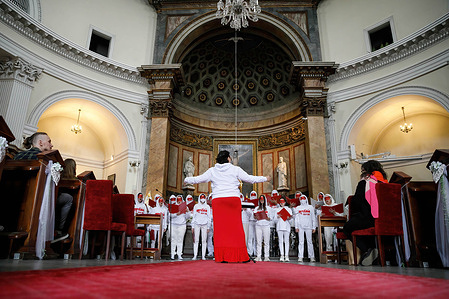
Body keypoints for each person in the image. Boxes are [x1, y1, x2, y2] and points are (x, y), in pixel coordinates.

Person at [184, 150, 270, 263]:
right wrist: (265, 178)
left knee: (221, 229)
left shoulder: (212, 170)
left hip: (218, 201)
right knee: (236, 228)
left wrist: (187, 179)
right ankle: (240, 256)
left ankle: (222, 257)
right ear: (229, 158)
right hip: (232, 200)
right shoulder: (235, 169)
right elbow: (250, 178)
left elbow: (199, 179)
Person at [343, 160, 388, 266]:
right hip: (385, 220)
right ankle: (371, 249)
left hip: (368, 217)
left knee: (347, 227)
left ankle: (365, 250)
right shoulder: (385, 183)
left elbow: (356, 202)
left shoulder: (365, 182)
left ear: (366, 171)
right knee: (358, 228)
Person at [52, 158, 77, 243]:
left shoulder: (58, 176)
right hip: (64, 213)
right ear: (74, 168)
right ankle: (60, 229)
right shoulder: (76, 181)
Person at [295, 194, 317, 262]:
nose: (302, 199)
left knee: (309, 241)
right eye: (301, 198)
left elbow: (313, 217)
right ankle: (300, 256)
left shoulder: (310, 207)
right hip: (300, 226)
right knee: (301, 242)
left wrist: (314, 227)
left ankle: (312, 256)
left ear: (306, 199)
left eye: (304, 198)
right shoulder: (298, 208)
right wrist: (296, 226)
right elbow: (296, 218)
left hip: (309, 226)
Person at [170, 195, 190, 260]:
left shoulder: (185, 206)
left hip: (182, 225)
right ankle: (172, 254)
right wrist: (176, 214)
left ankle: (179, 254)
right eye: (178, 200)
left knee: (180, 240)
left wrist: (187, 212)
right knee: (173, 239)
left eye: (180, 200)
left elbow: (188, 217)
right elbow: (170, 216)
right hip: (174, 225)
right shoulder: (173, 206)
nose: (179, 202)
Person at [192, 193, 211, 260]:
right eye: (201, 197)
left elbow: (209, 217)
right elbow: (194, 216)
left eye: (203, 198)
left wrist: (208, 227)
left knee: (204, 240)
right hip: (197, 224)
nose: (202, 199)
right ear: (199, 198)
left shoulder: (207, 207)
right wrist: (192, 226)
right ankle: (195, 255)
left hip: (205, 224)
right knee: (196, 240)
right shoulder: (196, 206)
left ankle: (203, 256)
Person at [254, 194, 272, 262]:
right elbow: (254, 217)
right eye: (260, 200)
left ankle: (266, 256)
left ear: (265, 200)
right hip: (258, 226)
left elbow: (272, 218)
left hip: (266, 225)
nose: (262, 201)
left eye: (263, 199)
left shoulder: (268, 208)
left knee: (266, 242)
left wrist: (268, 218)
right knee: (259, 241)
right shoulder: (256, 208)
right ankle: (258, 256)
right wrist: (255, 217)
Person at [275, 197, 292, 262]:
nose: (282, 203)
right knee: (280, 241)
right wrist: (277, 217)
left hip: (286, 227)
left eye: (283, 202)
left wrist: (289, 218)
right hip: (279, 227)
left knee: (287, 241)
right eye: (281, 202)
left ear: (285, 202)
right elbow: (274, 220)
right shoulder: (277, 209)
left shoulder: (288, 209)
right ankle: (282, 255)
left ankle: (286, 255)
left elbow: (291, 220)